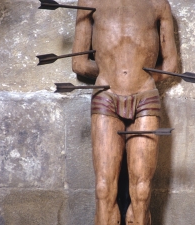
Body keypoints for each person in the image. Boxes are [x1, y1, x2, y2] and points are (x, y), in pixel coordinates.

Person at [72, 0, 177, 224]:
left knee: (141, 192)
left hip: (145, 96)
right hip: (106, 95)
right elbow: (79, 63)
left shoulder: (158, 4)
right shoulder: (89, 2)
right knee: (103, 188)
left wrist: (141, 78)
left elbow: (171, 64)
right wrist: (113, 73)